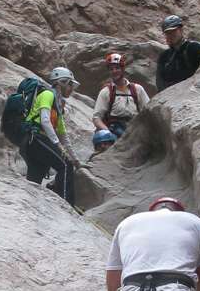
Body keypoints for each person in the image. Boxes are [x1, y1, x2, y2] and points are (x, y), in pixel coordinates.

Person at [24, 65, 81, 207]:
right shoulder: (48, 95)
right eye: (70, 85)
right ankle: (67, 205)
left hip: (35, 141)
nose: (71, 89)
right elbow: (44, 120)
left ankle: (30, 205)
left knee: (34, 180)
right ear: (61, 83)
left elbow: (63, 135)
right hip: (36, 137)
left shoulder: (58, 104)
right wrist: (57, 144)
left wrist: (76, 160)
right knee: (65, 165)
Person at [92, 52, 150, 143]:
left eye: (117, 68)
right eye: (111, 69)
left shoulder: (137, 89)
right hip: (114, 131)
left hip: (135, 130)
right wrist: (108, 133)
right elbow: (96, 118)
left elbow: (148, 111)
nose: (114, 71)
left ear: (123, 69)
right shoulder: (106, 92)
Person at [155, 15, 200, 91]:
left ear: (181, 30)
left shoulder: (196, 49)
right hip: (171, 95)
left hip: (195, 92)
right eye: (168, 33)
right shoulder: (164, 57)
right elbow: (160, 83)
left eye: (173, 31)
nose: (171, 35)